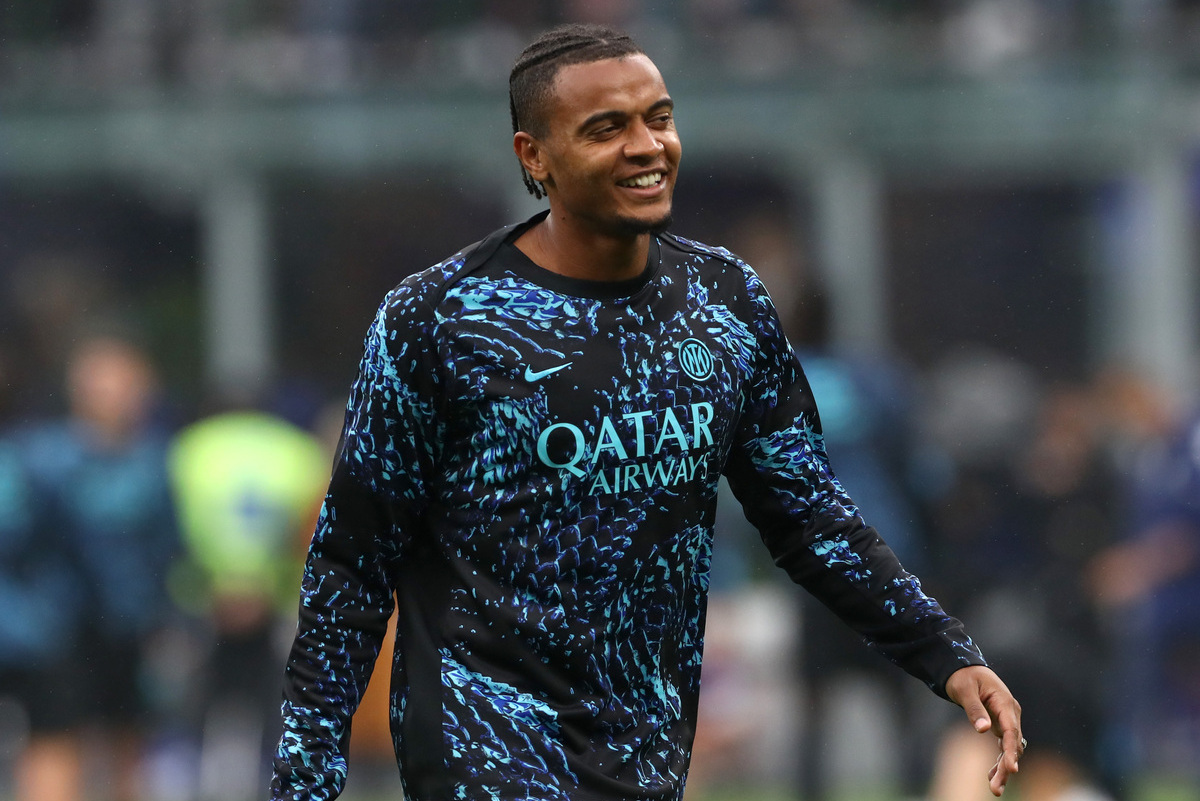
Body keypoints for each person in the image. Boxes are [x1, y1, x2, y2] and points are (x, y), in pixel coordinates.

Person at [270, 23, 1024, 801]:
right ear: (535, 157)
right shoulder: (440, 318)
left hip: (642, 751)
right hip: (482, 745)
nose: (646, 146)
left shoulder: (723, 301)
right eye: (606, 128)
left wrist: (946, 652)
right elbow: (350, 570)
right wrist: (304, 782)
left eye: (658, 118)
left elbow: (809, 517)